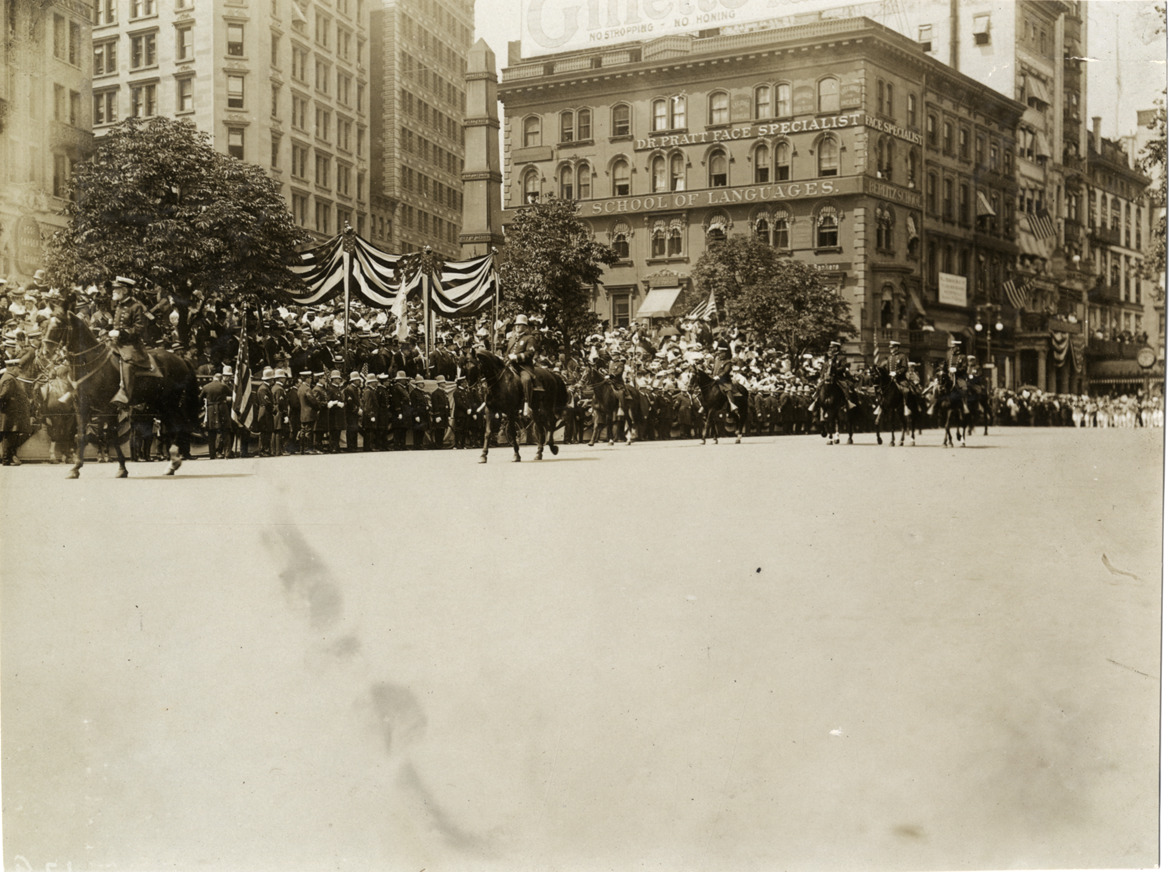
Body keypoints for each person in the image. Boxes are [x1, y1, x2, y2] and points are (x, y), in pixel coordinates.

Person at [109, 277, 154, 406]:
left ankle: (125, 395)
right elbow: (117, 325)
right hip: (116, 342)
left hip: (131, 344)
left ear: (124, 290)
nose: (113, 291)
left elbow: (139, 328)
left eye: (116, 289)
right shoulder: (119, 305)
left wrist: (122, 333)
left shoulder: (136, 306)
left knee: (127, 363)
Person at [505, 314, 538, 418]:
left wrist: (517, 357)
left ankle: (527, 404)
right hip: (510, 365)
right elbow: (507, 353)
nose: (517, 326)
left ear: (525, 326)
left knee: (526, 380)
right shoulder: (512, 339)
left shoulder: (530, 338)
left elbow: (530, 353)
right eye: (516, 325)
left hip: (523, 367)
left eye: (520, 324)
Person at [0, 357, 31, 465]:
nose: (19, 371)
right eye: (18, 369)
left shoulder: (10, 378)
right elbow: (3, 396)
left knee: (11, 436)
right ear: (12, 368)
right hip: (10, 414)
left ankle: (8, 458)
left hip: (12, 414)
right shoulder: (9, 379)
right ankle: (6, 459)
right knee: (9, 436)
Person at [710, 339, 738, 412]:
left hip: (724, 381)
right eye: (719, 353)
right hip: (714, 379)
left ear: (725, 353)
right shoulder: (717, 360)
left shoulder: (728, 362)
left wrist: (719, 376)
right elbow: (714, 369)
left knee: (727, 390)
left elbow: (725, 371)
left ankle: (732, 405)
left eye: (721, 353)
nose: (719, 354)